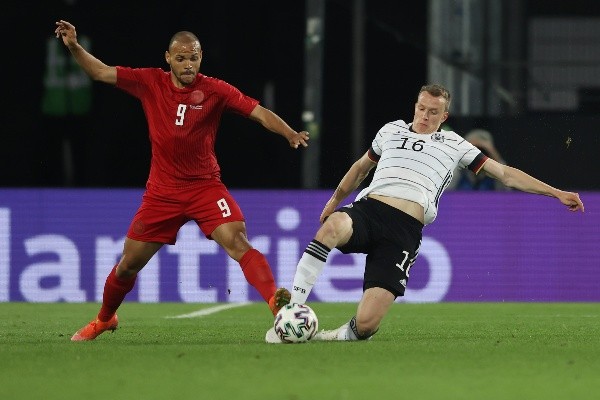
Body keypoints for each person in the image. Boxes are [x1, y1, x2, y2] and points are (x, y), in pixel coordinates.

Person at [266, 83, 584, 343]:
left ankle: (335, 336)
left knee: (366, 325)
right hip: (370, 209)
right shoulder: (391, 131)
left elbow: (505, 175)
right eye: (421, 108)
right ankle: (293, 308)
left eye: (433, 112)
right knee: (332, 227)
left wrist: (555, 193)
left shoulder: (454, 145)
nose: (425, 116)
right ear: (415, 105)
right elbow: (361, 168)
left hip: (404, 230)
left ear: (444, 115)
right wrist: (334, 200)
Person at [54, 20, 308, 341]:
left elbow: (257, 112)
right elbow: (101, 72)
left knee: (238, 242)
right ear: (168, 58)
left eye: (194, 58)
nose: (188, 65)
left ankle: (277, 304)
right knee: (127, 267)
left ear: (201, 58)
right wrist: (75, 46)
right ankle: (105, 319)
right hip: (162, 193)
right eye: (181, 58)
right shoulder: (148, 82)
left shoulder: (215, 89)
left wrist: (288, 133)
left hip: (205, 188)